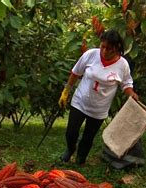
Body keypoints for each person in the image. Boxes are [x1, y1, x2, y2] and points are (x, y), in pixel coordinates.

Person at [58, 29, 139, 165]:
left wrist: (131, 93)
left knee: (88, 138)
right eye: (103, 47)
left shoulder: (122, 65)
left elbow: (126, 83)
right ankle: (70, 149)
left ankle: (80, 159)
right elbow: (75, 73)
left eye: (110, 49)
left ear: (117, 47)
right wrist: (65, 92)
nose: (105, 51)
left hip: (99, 109)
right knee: (71, 132)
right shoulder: (90, 55)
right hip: (80, 102)